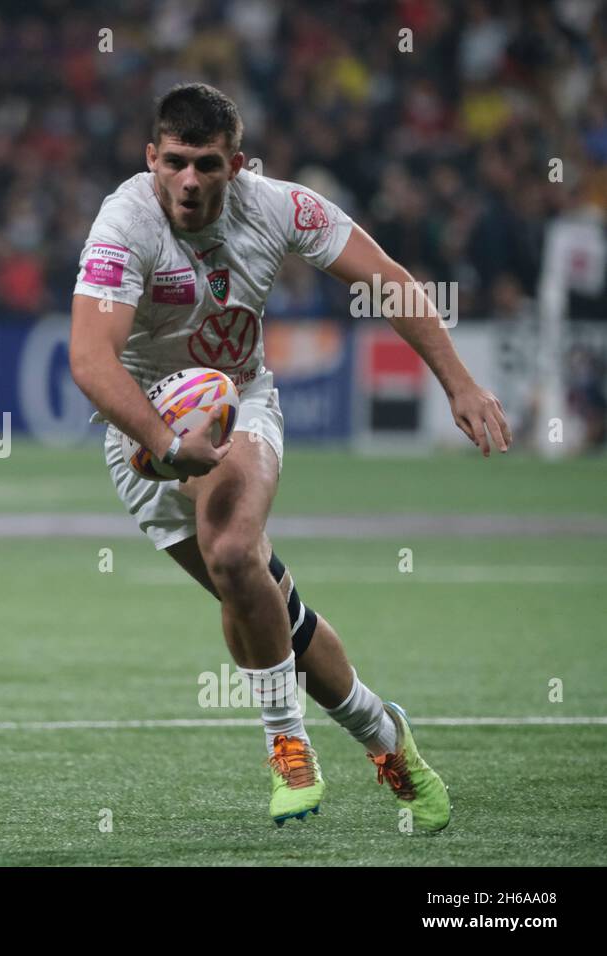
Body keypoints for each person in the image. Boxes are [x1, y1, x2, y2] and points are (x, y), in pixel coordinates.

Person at [68, 82, 513, 829]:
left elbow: (392, 285)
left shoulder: (281, 208)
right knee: (271, 605)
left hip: (241, 403)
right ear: (151, 157)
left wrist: (460, 383)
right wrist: (166, 443)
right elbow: (90, 358)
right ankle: (384, 735)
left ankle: (287, 744)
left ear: (236, 165)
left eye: (207, 165)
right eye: (174, 161)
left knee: (234, 549)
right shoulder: (124, 223)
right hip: (146, 435)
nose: (188, 181)